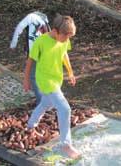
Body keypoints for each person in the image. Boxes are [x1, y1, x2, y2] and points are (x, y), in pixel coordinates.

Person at [23, 14, 81, 159]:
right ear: (55, 31)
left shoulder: (64, 39)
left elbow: (64, 54)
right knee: (64, 108)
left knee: (46, 104)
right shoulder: (41, 42)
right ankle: (66, 145)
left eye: (69, 37)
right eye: (65, 37)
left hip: (56, 80)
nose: (67, 40)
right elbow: (30, 61)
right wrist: (26, 80)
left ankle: (30, 124)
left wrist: (70, 72)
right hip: (44, 80)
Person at [10, 11, 50, 105]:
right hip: (45, 51)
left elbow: (19, 28)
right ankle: (48, 98)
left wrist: (13, 44)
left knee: (33, 76)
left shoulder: (30, 17)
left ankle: (42, 102)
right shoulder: (44, 18)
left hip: (34, 52)